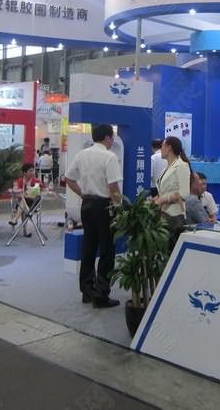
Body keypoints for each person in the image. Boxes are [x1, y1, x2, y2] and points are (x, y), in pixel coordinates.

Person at [65, 124, 123, 308]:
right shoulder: (110, 156)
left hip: (87, 205)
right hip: (104, 206)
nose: (112, 141)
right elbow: (113, 187)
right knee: (107, 250)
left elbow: (68, 178)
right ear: (107, 138)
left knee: (88, 248)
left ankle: (87, 291)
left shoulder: (82, 154)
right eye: (112, 137)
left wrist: (82, 194)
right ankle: (101, 295)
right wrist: (120, 208)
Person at [153, 136, 192, 249]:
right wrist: (156, 199)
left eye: (162, 146)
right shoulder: (168, 167)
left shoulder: (182, 165)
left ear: (169, 147)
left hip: (174, 215)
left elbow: (184, 193)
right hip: (163, 214)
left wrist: (163, 199)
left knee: (171, 250)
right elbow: (166, 190)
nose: (160, 149)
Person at [10, 162, 44, 237]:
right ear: (24, 173)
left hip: (33, 204)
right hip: (22, 204)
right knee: (24, 206)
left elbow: (39, 192)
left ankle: (15, 219)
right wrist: (21, 193)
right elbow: (15, 191)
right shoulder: (19, 181)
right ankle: (25, 230)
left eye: (33, 170)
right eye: (30, 171)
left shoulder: (36, 181)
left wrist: (31, 192)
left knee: (23, 204)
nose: (32, 172)